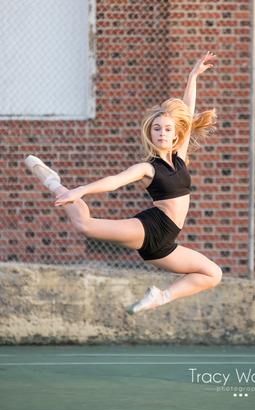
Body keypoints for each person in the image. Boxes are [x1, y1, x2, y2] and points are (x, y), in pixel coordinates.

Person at [25, 51, 222, 315]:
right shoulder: (148, 167)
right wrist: (81, 190)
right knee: (86, 225)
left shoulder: (180, 157)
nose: (162, 133)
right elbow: (114, 182)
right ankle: (53, 182)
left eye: (167, 129)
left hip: (165, 245)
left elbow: (186, 110)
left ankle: (159, 297)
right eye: (157, 129)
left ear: (176, 134)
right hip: (153, 226)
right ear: (150, 133)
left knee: (212, 273)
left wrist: (192, 76)